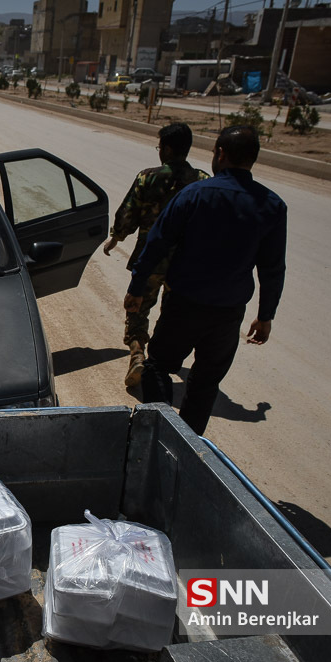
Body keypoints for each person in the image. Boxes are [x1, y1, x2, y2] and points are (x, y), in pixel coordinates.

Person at [123, 125, 287, 435]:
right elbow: (273, 268)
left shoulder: (195, 194)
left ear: (221, 154)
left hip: (183, 305)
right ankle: (190, 444)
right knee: (205, 382)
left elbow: (156, 242)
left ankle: (158, 431)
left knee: (157, 367)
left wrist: (137, 288)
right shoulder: (272, 205)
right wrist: (265, 317)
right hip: (228, 315)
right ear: (252, 159)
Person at [103, 123, 209, 387]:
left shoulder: (148, 178)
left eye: (160, 146)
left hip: (151, 259)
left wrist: (116, 237)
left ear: (169, 149)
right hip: (185, 264)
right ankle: (162, 360)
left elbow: (129, 211)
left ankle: (138, 354)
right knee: (173, 312)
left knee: (138, 308)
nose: (159, 151)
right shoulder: (203, 181)